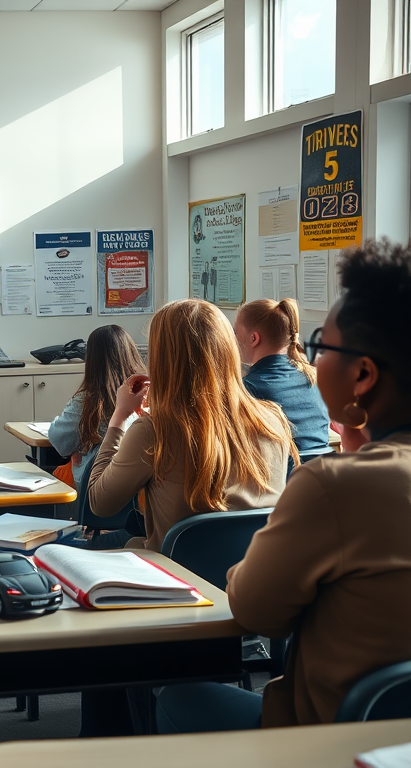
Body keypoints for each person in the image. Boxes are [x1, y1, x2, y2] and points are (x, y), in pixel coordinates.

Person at [156, 239, 411, 732]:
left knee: (179, 697)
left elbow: (256, 611)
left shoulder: (335, 487)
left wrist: (241, 571)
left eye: (319, 348)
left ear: (363, 374)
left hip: (328, 737)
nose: (308, 363)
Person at [88, 299, 293, 553]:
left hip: (176, 581)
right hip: (253, 580)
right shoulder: (273, 421)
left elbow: (99, 504)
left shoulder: (153, 431)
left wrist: (120, 415)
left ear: (162, 360)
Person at [48, 325, 146, 489]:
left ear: (92, 359)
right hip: (139, 487)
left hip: (95, 486)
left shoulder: (88, 400)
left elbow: (59, 441)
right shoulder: (149, 394)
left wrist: (79, 447)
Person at [234, 298, 330, 456]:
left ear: (253, 339)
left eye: (235, 332)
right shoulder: (314, 378)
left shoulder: (247, 389)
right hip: (324, 474)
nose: (233, 339)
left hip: (282, 478)